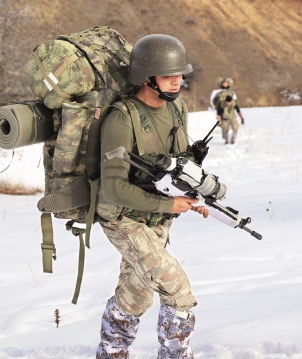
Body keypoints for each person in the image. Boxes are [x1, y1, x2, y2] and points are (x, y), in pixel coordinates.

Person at [94, 33, 208, 359]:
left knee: (136, 297)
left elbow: (177, 166)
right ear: (147, 77)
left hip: (158, 216)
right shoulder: (121, 118)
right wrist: (171, 203)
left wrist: (196, 194)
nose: (177, 82)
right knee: (178, 292)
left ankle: (111, 353)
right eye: (169, 76)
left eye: (180, 75)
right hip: (123, 217)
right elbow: (114, 188)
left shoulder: (177, 109)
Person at [213, 78, 244, 144]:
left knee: (235, 127)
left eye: (226, 83)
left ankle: (233, 140)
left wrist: (241, 118)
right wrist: (219, 121)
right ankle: (226, 141)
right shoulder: (220, 95)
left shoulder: (232, 96)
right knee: (225, 129)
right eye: (223, 83)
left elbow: (238, 110)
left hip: (232, 117)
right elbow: (219, 112)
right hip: (224, 117)